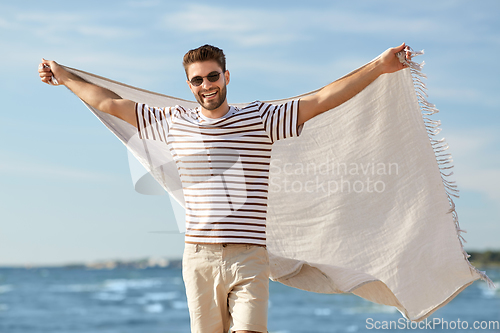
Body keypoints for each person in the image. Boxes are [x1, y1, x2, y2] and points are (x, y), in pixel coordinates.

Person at [38, 43, 410, 333]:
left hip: (248, 257)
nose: (206, 86)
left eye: (212, 76)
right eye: (197, 80)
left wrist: (379, 65)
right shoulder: (172, 122)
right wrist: (64, 75)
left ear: (226, 76)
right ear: (189, 84)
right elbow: (108, 102)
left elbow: (321, 99)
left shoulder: (260, 119)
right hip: (198, 259)